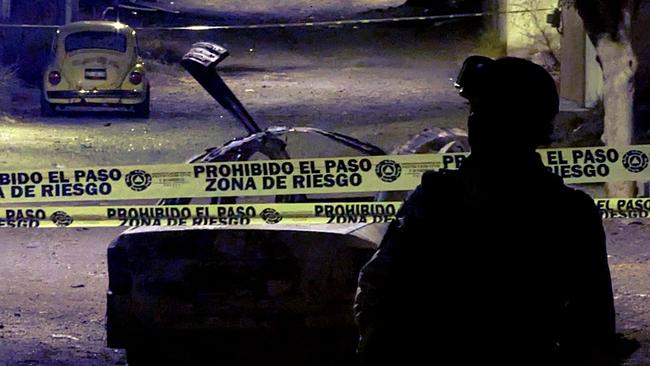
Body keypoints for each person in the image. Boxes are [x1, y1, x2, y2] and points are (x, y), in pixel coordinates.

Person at [354, 56, 621, 365]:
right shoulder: (570, 212)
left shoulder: (437, 200)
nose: (475, 121)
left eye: (485, 112)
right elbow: (595, 330)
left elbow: (377, 295)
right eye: (475, 111)